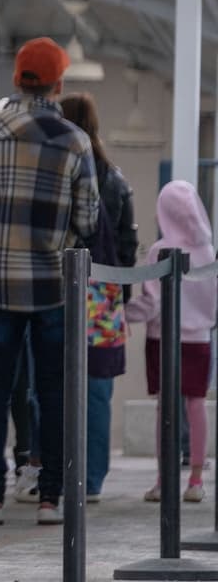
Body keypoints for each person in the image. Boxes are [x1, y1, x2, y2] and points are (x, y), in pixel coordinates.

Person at [0, 37, 99, 526]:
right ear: (59, 84)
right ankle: (50, 497)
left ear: (17, 78)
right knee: (53, 390)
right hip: (54, 285)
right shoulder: (74, 140)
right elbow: (88, 219)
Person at [59, 92, 137, 502]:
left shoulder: (58, 169)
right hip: (103, 296)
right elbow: (127, 245)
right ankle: (91, 480)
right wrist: (121, 296)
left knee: (50, 383)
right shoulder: (115, 179)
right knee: (98, 389)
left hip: (57, 290)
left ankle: (52, 474)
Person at [128, 180, 213, 504]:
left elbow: (152, 303)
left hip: (163, 338)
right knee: (196, 404)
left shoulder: (159, 251)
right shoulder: (207, 252)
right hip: (199, 339)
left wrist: (122, 314)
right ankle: (196, 480)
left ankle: (163, 481)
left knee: (166, 407)